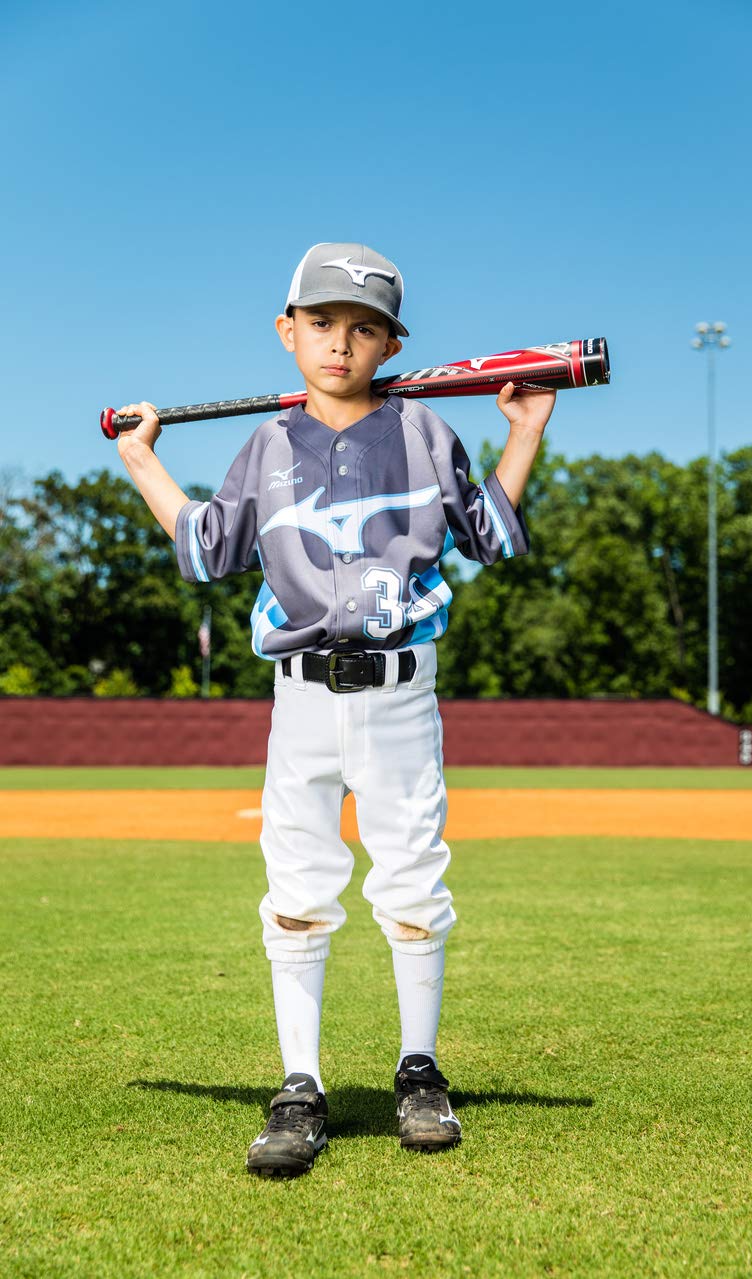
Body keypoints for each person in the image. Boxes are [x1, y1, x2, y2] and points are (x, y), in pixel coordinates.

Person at [116, 242, 555, 1178]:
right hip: (302, 698)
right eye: (320, 323)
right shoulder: (266, 446)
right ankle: (300, 1084)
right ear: (287, 331)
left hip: (401, 689)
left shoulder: (427, 433)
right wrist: (140, 459)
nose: (340, 344)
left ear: (390, 344)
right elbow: (206, 547)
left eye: (364, 329)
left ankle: (418, 1070)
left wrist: (524, 430)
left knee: (412, 882)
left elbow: (491, 536)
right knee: (299, 886)